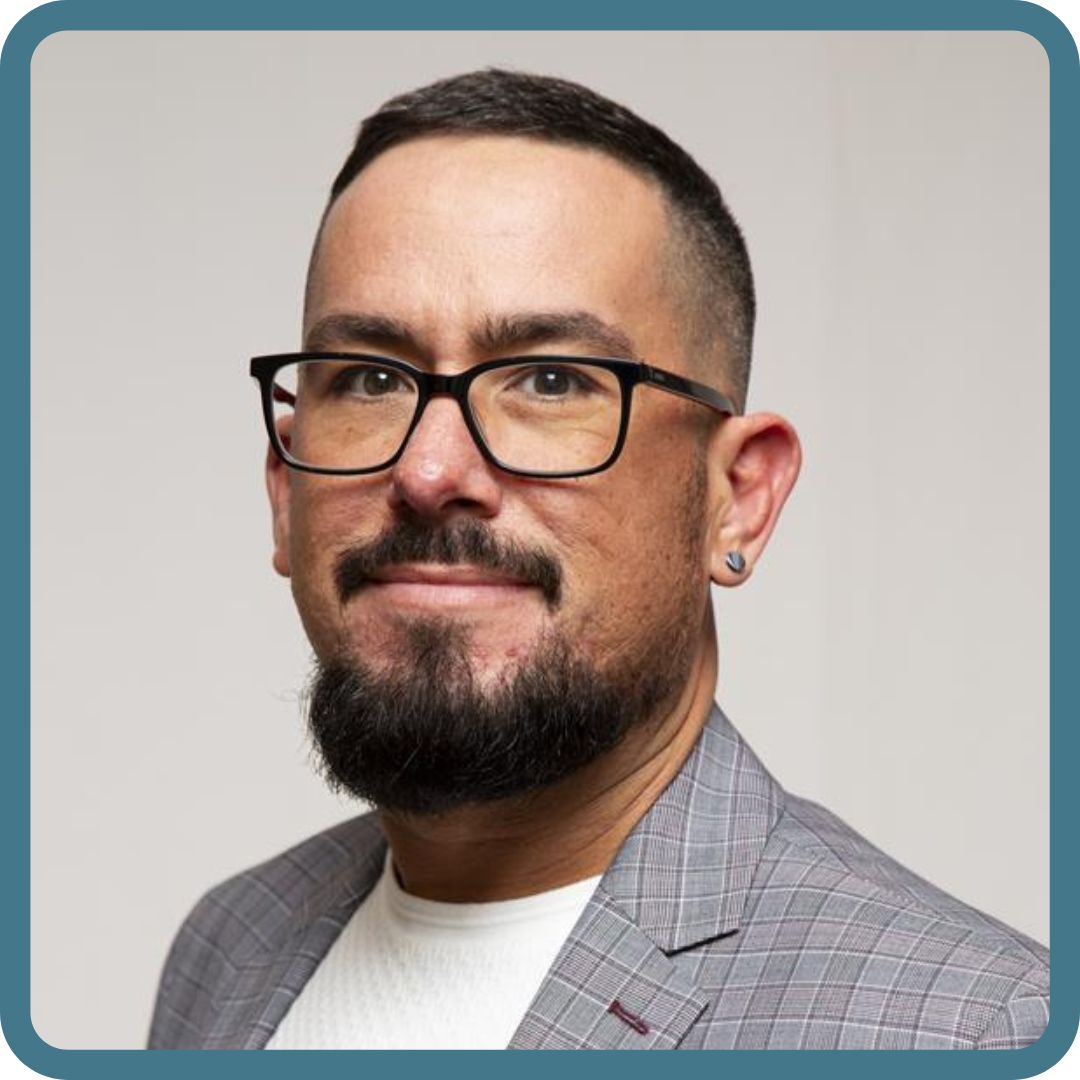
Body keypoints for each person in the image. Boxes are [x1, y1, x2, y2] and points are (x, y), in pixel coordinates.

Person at [148, 69, 1049, 1051]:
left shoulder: (975, 1033)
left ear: (738, 498)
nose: (430, 471)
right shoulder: (228, 947)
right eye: (368, 378)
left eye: (550, 379)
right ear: (284, 487)